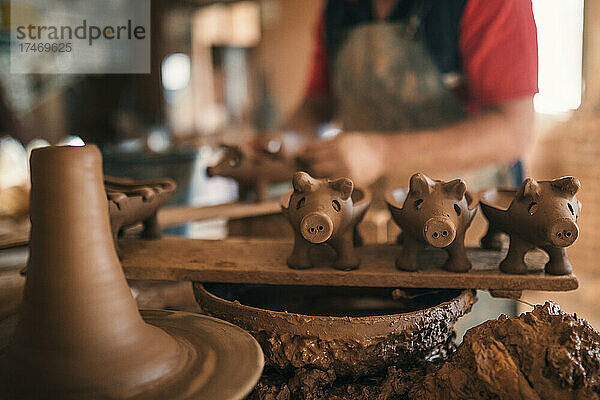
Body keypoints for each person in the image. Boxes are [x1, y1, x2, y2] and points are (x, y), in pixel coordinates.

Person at [283, 0, 538, 191]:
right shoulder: (337, 9)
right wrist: (289, 139)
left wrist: (382, 154)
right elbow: (317, 105)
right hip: (368, 215)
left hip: (469, 216)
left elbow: (514, 130)